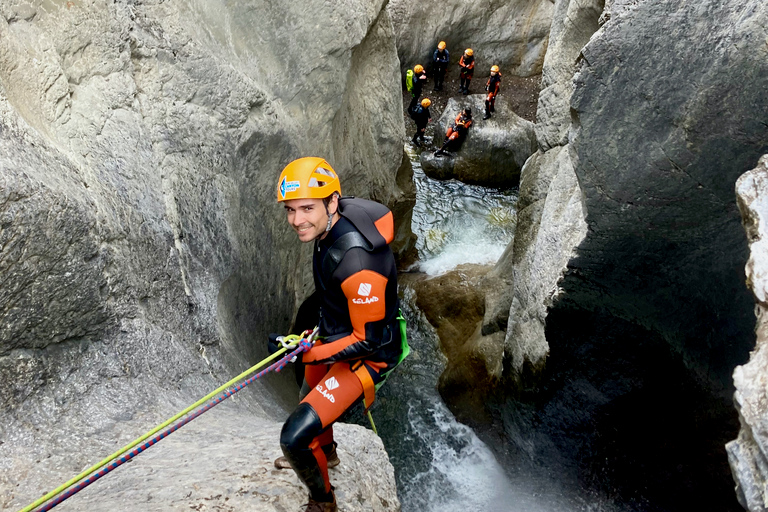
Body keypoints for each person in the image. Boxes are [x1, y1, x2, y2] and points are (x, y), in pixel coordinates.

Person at [274, 157, 408, 512]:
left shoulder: (358, 264)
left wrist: (310, 353)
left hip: (368, 355)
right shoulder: (330, 224)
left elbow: (369, 340)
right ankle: (327, 454)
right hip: (338, 333)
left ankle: (323, 501)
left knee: (293, 438)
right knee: (308, 391)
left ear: (333, 202)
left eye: (306, 208)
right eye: (290, 210)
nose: (296, 220)